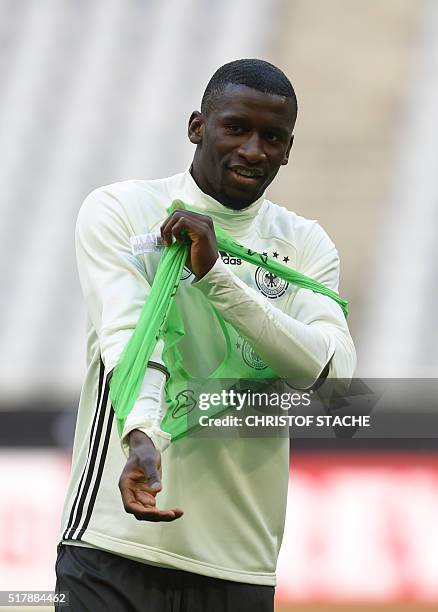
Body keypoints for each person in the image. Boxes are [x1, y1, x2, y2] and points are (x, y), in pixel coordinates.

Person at [55, 58, 356, 611]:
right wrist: (143, 434)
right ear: (198, 127)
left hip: (238, 558)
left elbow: (330, 374)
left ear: (289, 149)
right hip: (113, 541)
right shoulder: (122, 210)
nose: (253, 150)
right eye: (236, 127)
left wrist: (218, 279)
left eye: (272, 137)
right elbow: (130, 336)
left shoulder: (306, 245)